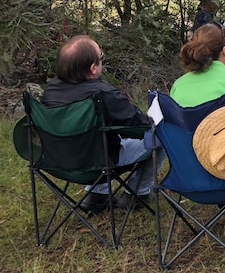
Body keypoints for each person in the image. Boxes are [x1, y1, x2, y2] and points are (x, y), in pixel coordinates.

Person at [42, 35, 167, 212]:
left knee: (98, 141)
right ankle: (138, 194)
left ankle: (97, 195)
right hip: (98, 163)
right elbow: (139, 127)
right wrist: (153, 119)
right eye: (101, 57)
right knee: (160, 137)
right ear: (93, 68)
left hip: (60, 162)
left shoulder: (50, 91)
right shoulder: (101, 93)